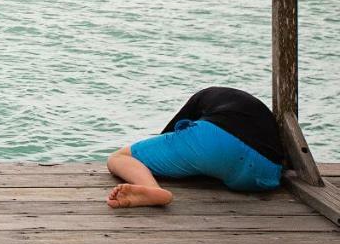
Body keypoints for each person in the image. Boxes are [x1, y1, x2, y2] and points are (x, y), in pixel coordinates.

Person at [106, 86, 284, 208]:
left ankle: (153, 190)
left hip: (214, 138)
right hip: (264, 174)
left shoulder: (200, 98)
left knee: (120, 157)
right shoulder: (240, 105)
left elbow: (169, 135)